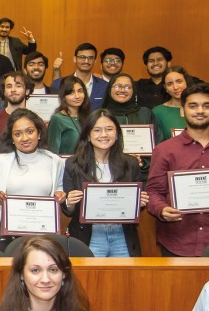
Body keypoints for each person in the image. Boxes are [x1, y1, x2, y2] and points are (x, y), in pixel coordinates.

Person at [146, 82, 209, 256]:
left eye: (206, 106)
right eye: (193, 106)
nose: (200, 111)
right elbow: (154, 192)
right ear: (182, 111)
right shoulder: (164, 150)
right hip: (177, 240)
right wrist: (162, 209)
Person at [0, 109, 66, 250]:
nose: (25, 138)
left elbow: (59, 188)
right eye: (18, 134)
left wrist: (60, 193)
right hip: (4, 235)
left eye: (30, 131)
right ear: (12, 139)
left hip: (41, 234)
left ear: (39, 133)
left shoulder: (55, 161)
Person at [62, 109, 148, 257]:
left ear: (117, 134)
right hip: (90, 236)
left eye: (109, 129)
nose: (104, 135)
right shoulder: (73, 164)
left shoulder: (131, 163)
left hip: (122, 236)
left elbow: (134, 208)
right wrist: (70, 202)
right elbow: (67, 209)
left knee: (124, 279)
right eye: (97, 130)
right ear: (88, 135)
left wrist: (138, 203)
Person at [52, 44, 108, 110]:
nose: (86, 61)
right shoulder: (58, 84)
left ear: (95, 61)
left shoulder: (104, 86)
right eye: (82, 57)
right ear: (74, 59)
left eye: (90, 58)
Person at [150, 65, 197, 143]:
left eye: (179, 81)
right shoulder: (157, 112)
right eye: (170, 84)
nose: (175, 87)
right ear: (165, 88)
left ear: (186, 82)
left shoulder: (200, 108)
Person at [0, 71, 30, 142]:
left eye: (18, 86)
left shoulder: (35, 120)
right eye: (9, 87)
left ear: (27, 91)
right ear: (4, 93)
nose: (13, 90)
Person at [47, 76, 86, 154]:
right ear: (63, 96)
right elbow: (53, 152)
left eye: (80, 91)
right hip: (67, 164)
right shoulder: (58, 119)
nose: (77, 96)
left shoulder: (89, 117)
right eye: (71, 93)